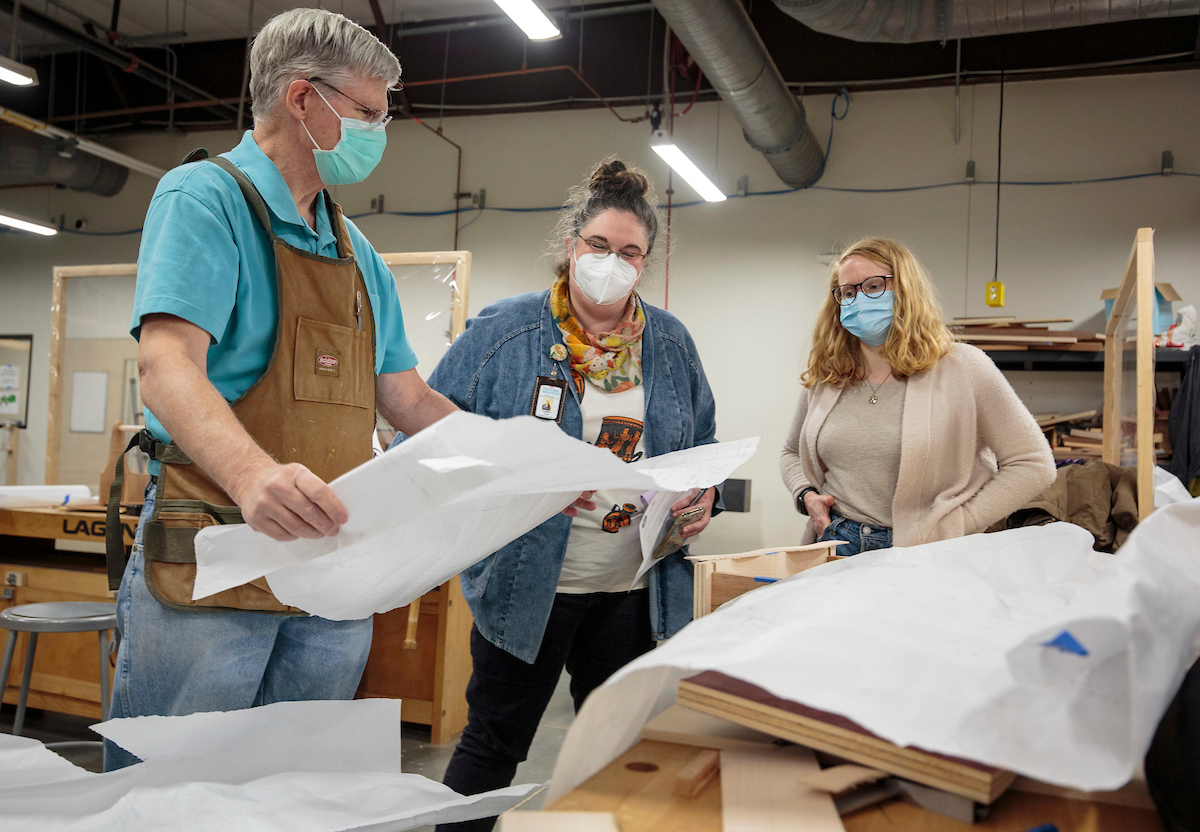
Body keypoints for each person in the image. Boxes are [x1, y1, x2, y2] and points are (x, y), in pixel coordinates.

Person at [104, 8, 457, 770]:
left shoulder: (357, 252)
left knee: (294, 795)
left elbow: (407, 401)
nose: (378, 132)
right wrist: (254, 475)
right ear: (303, 99)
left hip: (329, 578)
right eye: (367, 113)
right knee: (170, 799)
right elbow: (167, 365)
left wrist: (517, 464)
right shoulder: (203, 199)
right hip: (213, 563)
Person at [418, 160, 719, 831]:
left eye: (630, 252)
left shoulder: (670, 344)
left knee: (619, 752)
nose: (613, 264)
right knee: (493, 746)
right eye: (600, 247)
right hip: (531, 588)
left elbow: (703, 444)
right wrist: (520, 484)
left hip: (633, 591)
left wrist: (704, 497)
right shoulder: (507, 333)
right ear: (572, 247)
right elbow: (428, 433)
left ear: (647, 262)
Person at [780, 237, 1055, 553]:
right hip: (836, 542)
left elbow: (1033, 463)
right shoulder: (829, 373)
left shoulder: (964, 367)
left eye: (873, 286)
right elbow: (790, 452)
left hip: (928, 551)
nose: (858, 300)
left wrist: (959, 524)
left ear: (905, 290)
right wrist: (806, 496)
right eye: (848, 292)